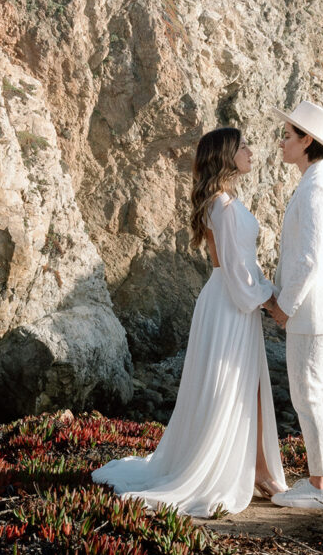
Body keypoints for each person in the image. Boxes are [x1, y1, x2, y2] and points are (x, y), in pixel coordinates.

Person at [92, 127, 287, 517]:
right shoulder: (225, 206)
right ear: (226, 156)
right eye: (243, 146)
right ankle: (250, 470)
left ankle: (258, 469)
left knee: (243, 384)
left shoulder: (222, 201)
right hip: (231, 303)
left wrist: (264, 296)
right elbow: (237, 269)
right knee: (230, 385)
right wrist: (272, 303)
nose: (251, 151)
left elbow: (238, 266)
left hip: (227, 302)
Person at [267, 100, 323, 509]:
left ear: (306, 141)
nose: (281, 142)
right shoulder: (314, 181)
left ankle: (320, 485)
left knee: (308, 393)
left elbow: (310, 258)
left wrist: (284, 304)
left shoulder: (317, 187)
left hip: (313, 308)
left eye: (287, 135)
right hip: (319, 306)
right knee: (319, 391)